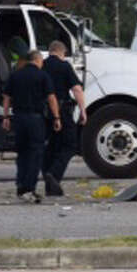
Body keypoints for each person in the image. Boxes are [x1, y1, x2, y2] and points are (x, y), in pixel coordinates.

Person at [1, 50, 61, 203]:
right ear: (37, 60)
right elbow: (51, 98)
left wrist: (6, 116)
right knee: (35, 153)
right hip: (35, 119)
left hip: (19, 118)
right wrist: (56, 117)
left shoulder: (15, 75)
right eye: (41, 61)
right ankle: (30, 188)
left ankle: (20, 186)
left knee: (22, 153)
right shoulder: (42, 76)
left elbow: (7, 97)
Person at [42, 40, 87, 196]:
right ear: (62, 52)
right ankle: (54, 174)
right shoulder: (64, 66)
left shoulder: (41, 65)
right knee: (70, 144)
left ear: (50, 51)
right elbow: (77, 89)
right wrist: (83, 111)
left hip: (43, 113)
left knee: (50, 147)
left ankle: (50, 184)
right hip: (62, 111)